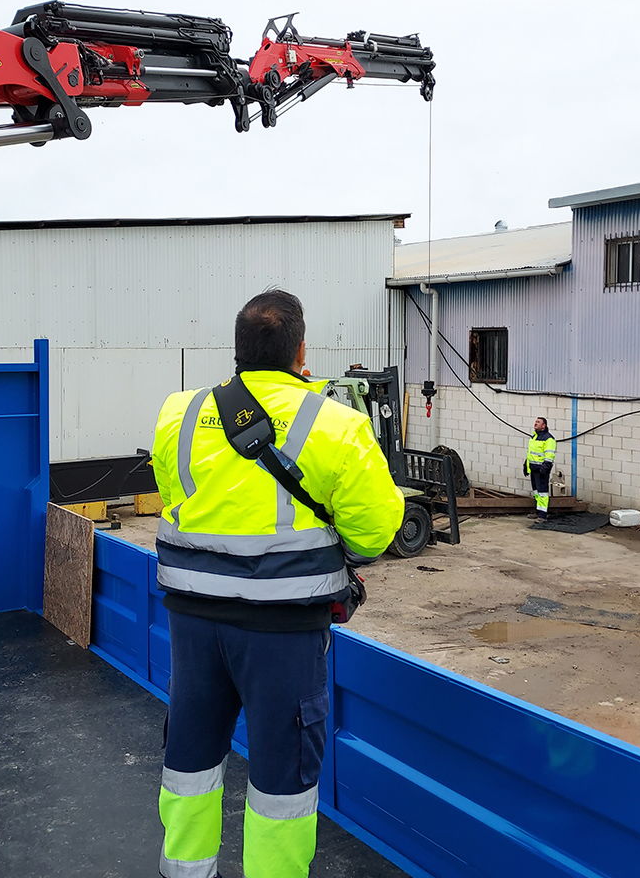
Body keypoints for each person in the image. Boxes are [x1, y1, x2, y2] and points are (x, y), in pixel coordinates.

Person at [148, 289, 403, 878]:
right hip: (282, 631)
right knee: (281, 782)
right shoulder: (338, 425)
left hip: (192, 621)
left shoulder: (178, 413)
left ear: (237, 349)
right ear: (301, 349)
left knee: (189, 758)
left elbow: (174, 499)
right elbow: (374, 533)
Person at [523, 417, 556, 519]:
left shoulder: (549, 439)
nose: (535, 423)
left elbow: (549, 456)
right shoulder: (534, 437)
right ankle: (538, 512)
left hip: (541, 471)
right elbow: (530, 454)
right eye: (535, 422)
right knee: (537, 492)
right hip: (533, 469)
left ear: (544, 425)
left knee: (542, 493)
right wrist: (526, 465)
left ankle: (542, 516)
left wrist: (545, 468)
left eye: (538, 422)